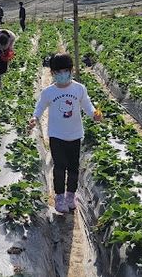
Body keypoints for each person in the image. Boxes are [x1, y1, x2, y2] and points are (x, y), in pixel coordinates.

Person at [28, 53, 103, 213]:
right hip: (56, 135)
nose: (62, 75)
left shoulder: (79, 89)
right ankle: (59, 197)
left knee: (74, 168)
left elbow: (88, 106)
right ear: (52, 73)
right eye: (58, 72)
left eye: (65, 71)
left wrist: (95, 115)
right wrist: (35, 118)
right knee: (59, 168)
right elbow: (40, 107)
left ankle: (71, 195)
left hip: (75, 135)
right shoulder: (49, 92)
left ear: (71, 70)